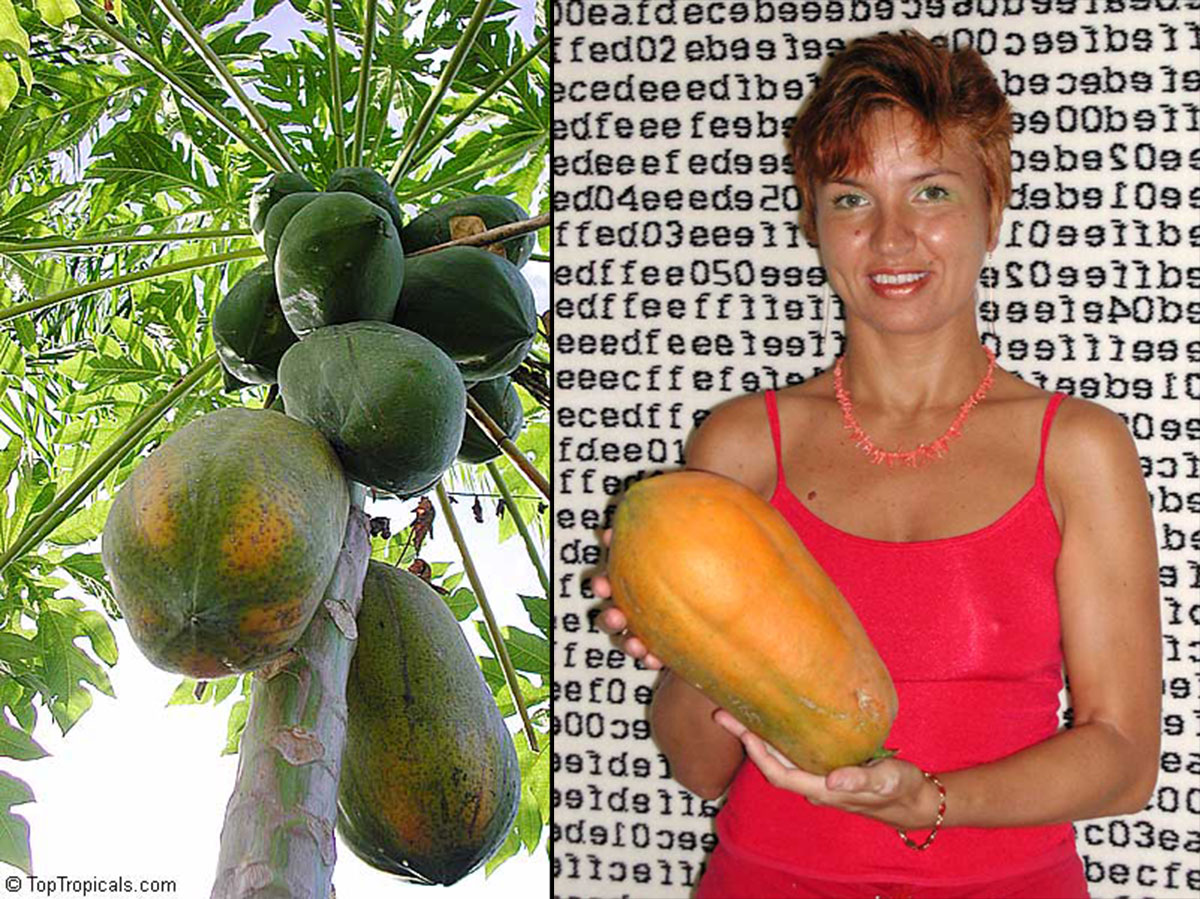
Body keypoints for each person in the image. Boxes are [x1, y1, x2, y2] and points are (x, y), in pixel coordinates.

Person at [592, 29, 1161, 899]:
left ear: (992, 205)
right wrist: (691, 644)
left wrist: (934, 800)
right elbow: (700, 767)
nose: (891, 237)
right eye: (852, 199)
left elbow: (1124, 761)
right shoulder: (741, 444)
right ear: (811, 218)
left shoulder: (1079, 449)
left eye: (930, 192)